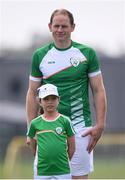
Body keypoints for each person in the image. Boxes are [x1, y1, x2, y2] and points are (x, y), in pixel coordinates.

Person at [26, 9, 107, 179]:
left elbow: (98, 90)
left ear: (73, 27)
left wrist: (100, 124)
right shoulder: (40, 56)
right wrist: (30, 129)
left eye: (64, 26)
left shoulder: (87, 54)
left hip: (80, 128)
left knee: (78, 177)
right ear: (50, 27)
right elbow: (32, 93)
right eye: (56, 25)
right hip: (47, 128)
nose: (60, 30)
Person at [27, 83, 75, 179]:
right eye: (46, 99)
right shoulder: (35, 123)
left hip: (63, 170)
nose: (50, 102)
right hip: (42, 171)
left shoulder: (65, 121)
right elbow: (31, 143)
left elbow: (72, 147)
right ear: (40, 101)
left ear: (59, 100)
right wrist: (38, 158)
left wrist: (63, 161)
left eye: (53, 98)